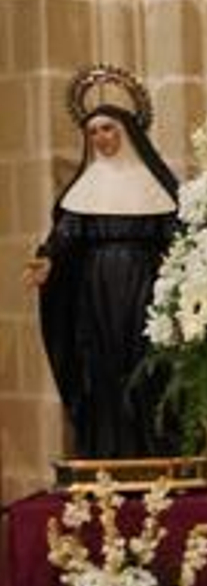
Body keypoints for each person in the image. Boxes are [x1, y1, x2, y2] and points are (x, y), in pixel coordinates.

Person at [25, 99, 183, 460]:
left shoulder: (154, 184)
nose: (100, 137)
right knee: (103, 364)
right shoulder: (86, 186)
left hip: (146, 284)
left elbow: (175, 235)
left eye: (108, 128)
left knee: (146, 361)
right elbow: (66, 235)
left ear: (127, 132)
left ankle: (155, 449)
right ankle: (109, 450)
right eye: (93, 131)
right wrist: (47, 261)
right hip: (96, 288)